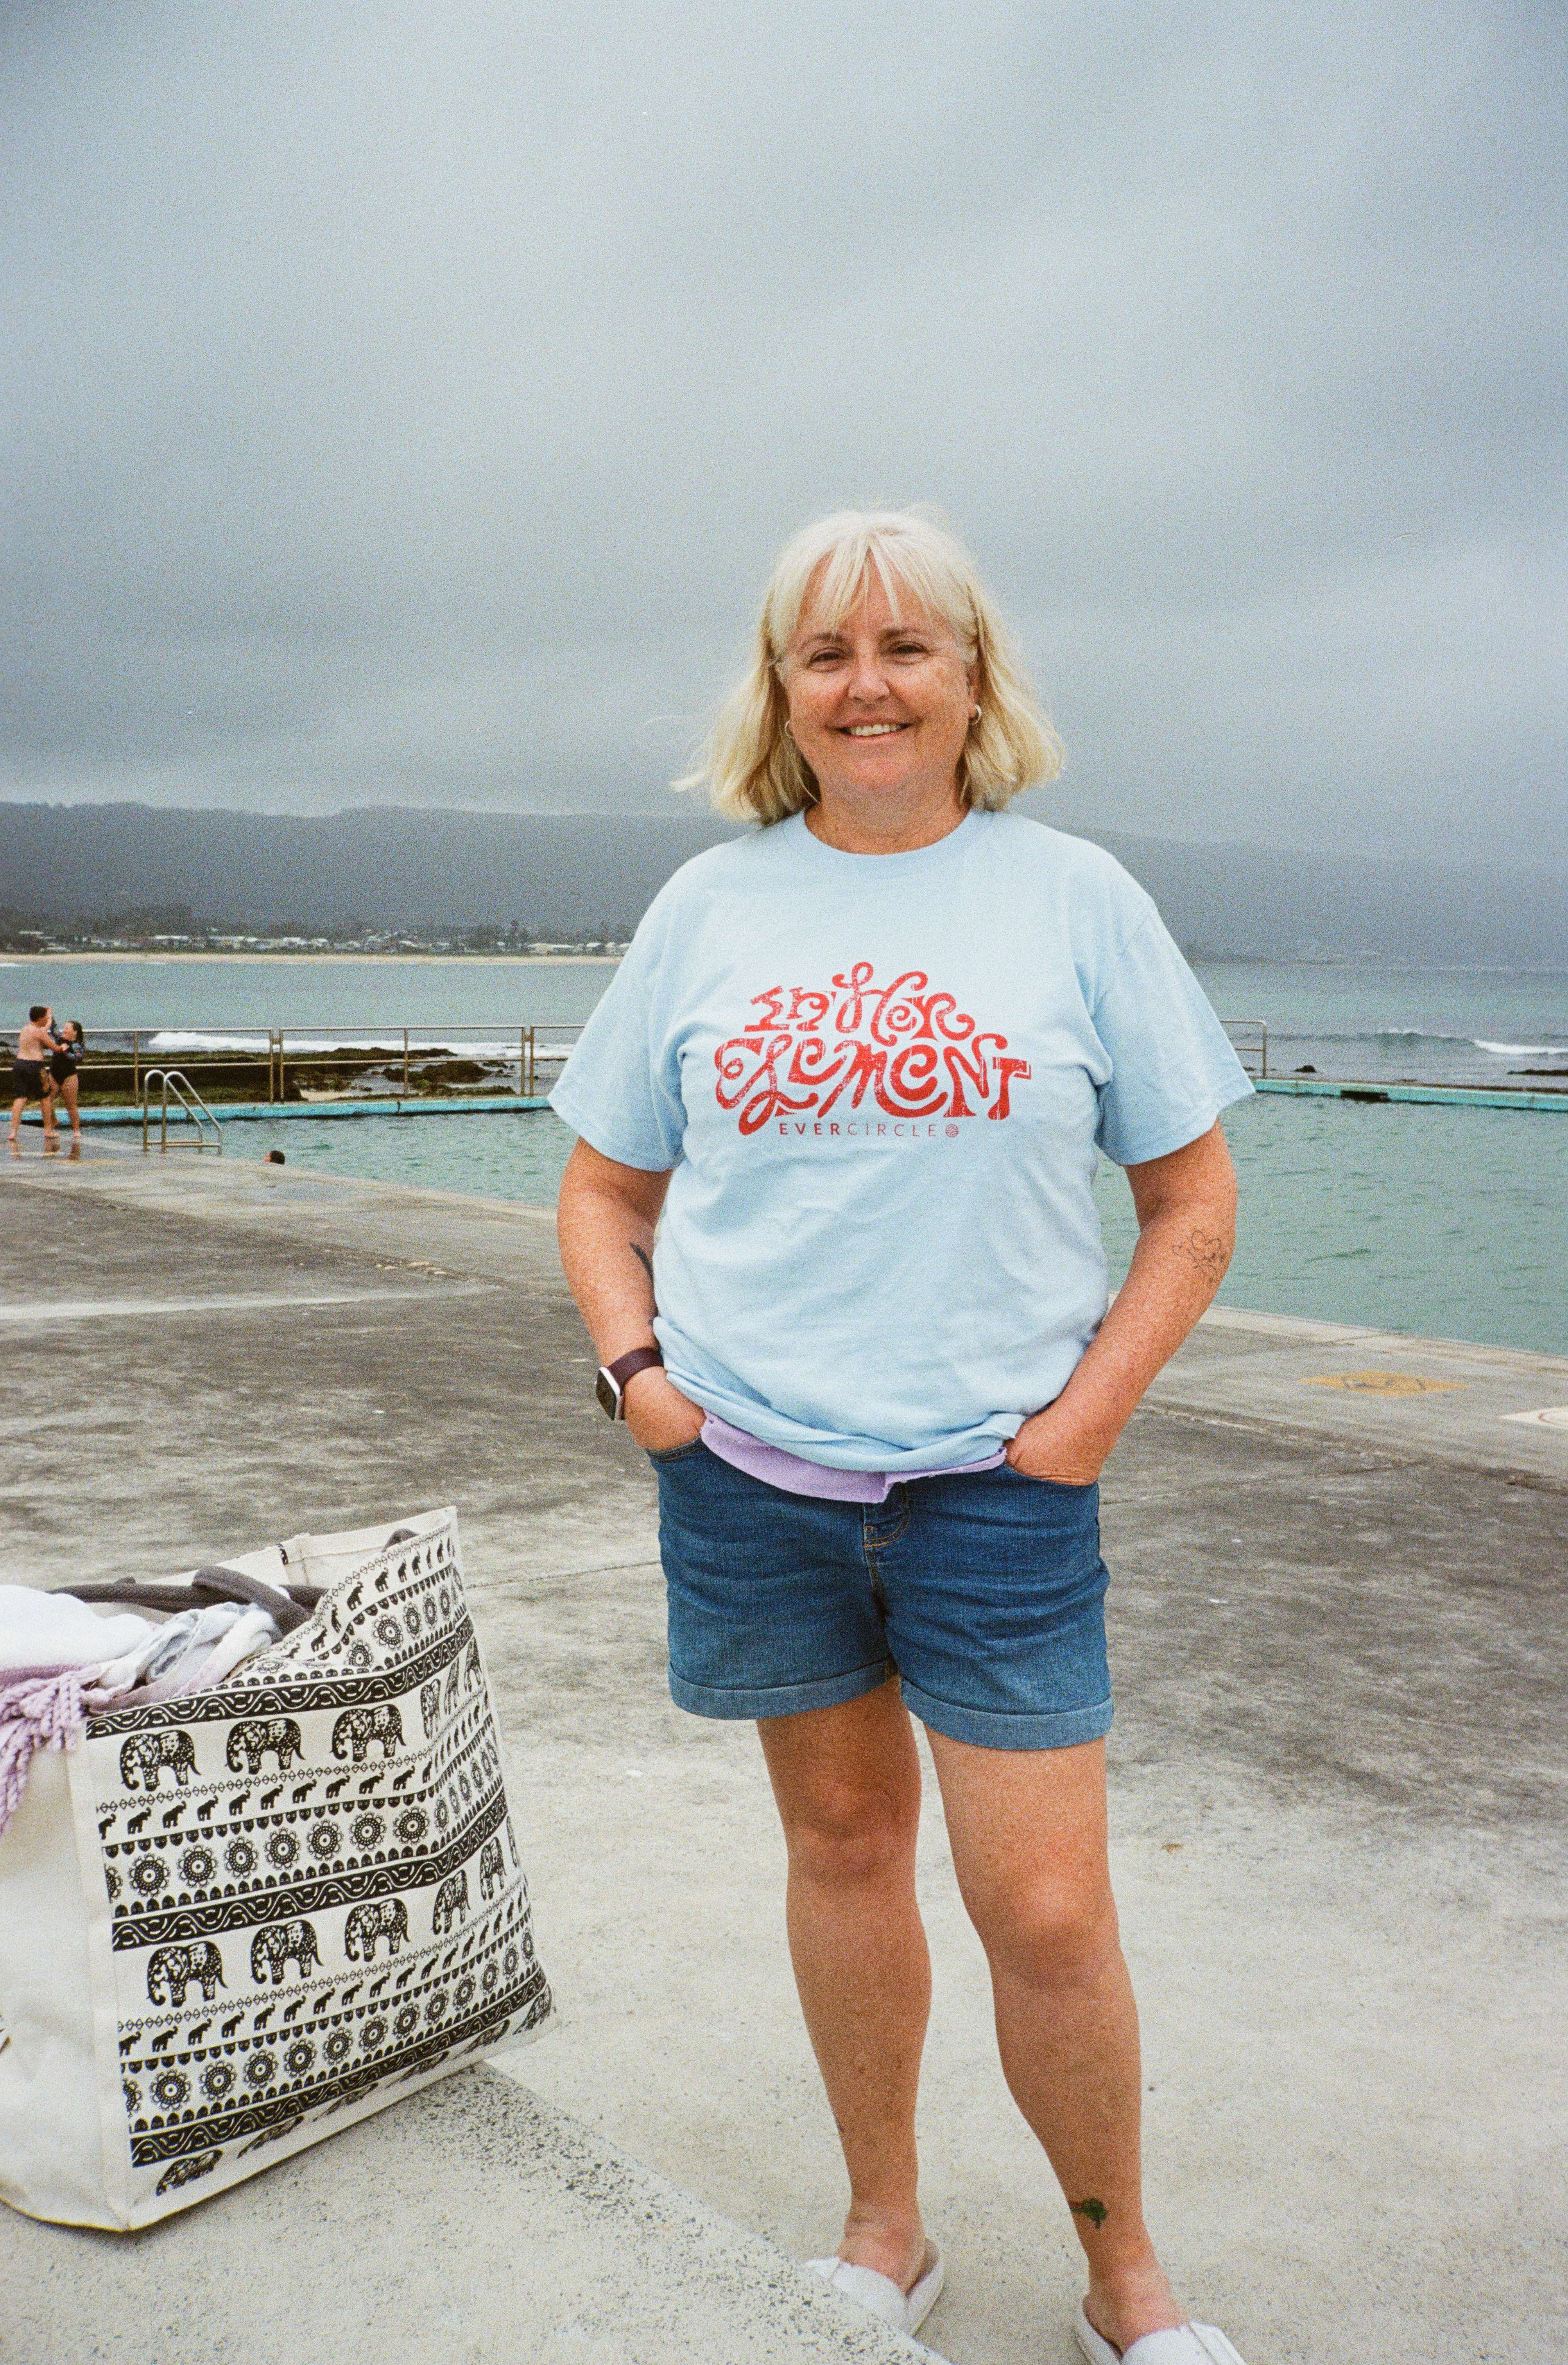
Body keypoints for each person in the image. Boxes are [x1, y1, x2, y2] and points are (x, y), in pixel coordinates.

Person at [552, 511, 1254, 2365]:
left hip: (994, 1494)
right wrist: (642, 1381)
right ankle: (884, 2234)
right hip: (751, 1479)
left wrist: (1081, 1424)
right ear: (780, 691)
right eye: (823, 652)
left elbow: (1190, 1199)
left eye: (905, 646)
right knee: (845, 1848)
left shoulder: (1075, 899)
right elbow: (603, 1186)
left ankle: (1127, 2285)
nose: (865, 683)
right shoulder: (710, 908)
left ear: (970, 680)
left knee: (1041, 1905)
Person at [8, 1005, 61, 1150]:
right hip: (35, 1066)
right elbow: (54, 1048)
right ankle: (48, 1129)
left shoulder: (26, 1030)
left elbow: (44, 1028)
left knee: (20, 1098)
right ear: (40, 1018)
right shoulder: (39, 1032)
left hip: (20, 1064)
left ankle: (13, 1132)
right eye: (45, 1017)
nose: (47, 1020)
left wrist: (49, 1017)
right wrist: (64, 1047)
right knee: (45, 1097)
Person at [47, 1019, 86, 1146]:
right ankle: (53, 1121)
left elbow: (78, 1058)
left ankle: (76, 1130)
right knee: (47, 1100)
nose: (65, 1030)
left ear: (75, 1032)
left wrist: (65, 1051)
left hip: (69, 1075)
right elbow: (53, 1029)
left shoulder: (77, 1045)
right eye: (65, 1028)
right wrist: (50, 1017)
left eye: (68, 1028)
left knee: (71, 1105)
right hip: (54, 1073)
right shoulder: (60, 1038)